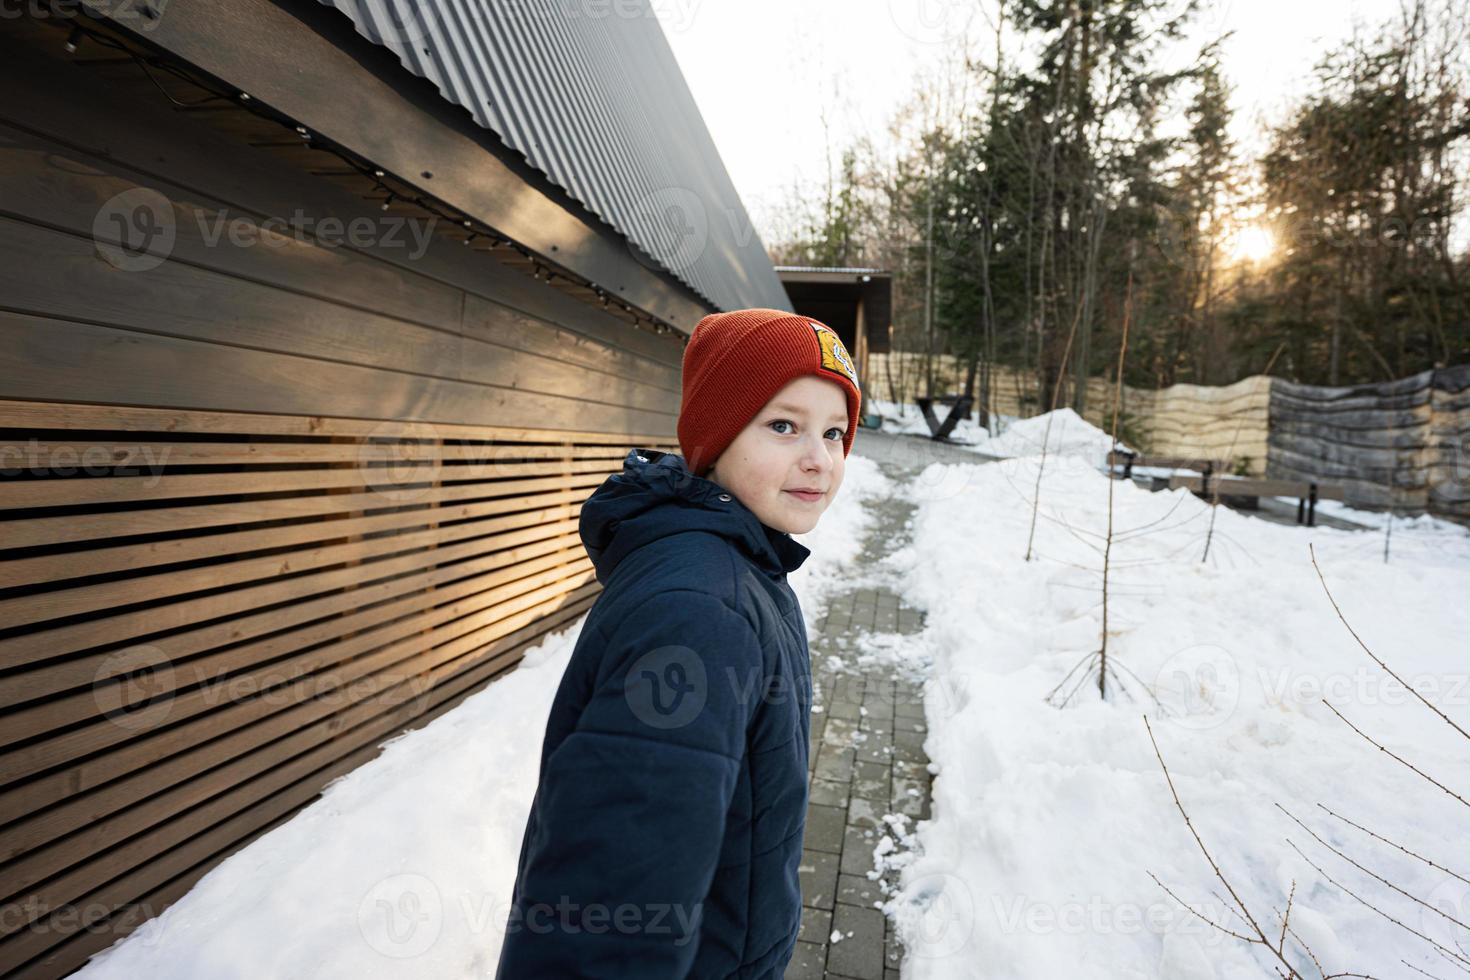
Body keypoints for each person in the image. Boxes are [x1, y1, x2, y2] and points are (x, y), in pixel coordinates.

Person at [494, 308, 863, 978]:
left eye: (834, 432)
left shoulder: (741, 563)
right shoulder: (701, 612)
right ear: (717, 437)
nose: (821, 459)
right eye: (784, 425)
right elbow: (606, 915)